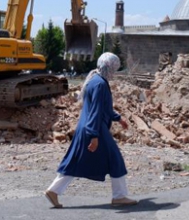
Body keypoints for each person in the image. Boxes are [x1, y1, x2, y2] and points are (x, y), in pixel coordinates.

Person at [44, 52, 137, 208]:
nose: (115, 73)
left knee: (75, 160)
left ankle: (53, 190)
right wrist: (94, 136)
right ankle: (119, 196)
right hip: (94, 128)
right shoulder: (100, 84)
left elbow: (103, 108)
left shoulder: (95, 80)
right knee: (115, 159)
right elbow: (95, 111)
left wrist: (118, 118)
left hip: (86, 127)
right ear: (109, 68)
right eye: (114, 69)